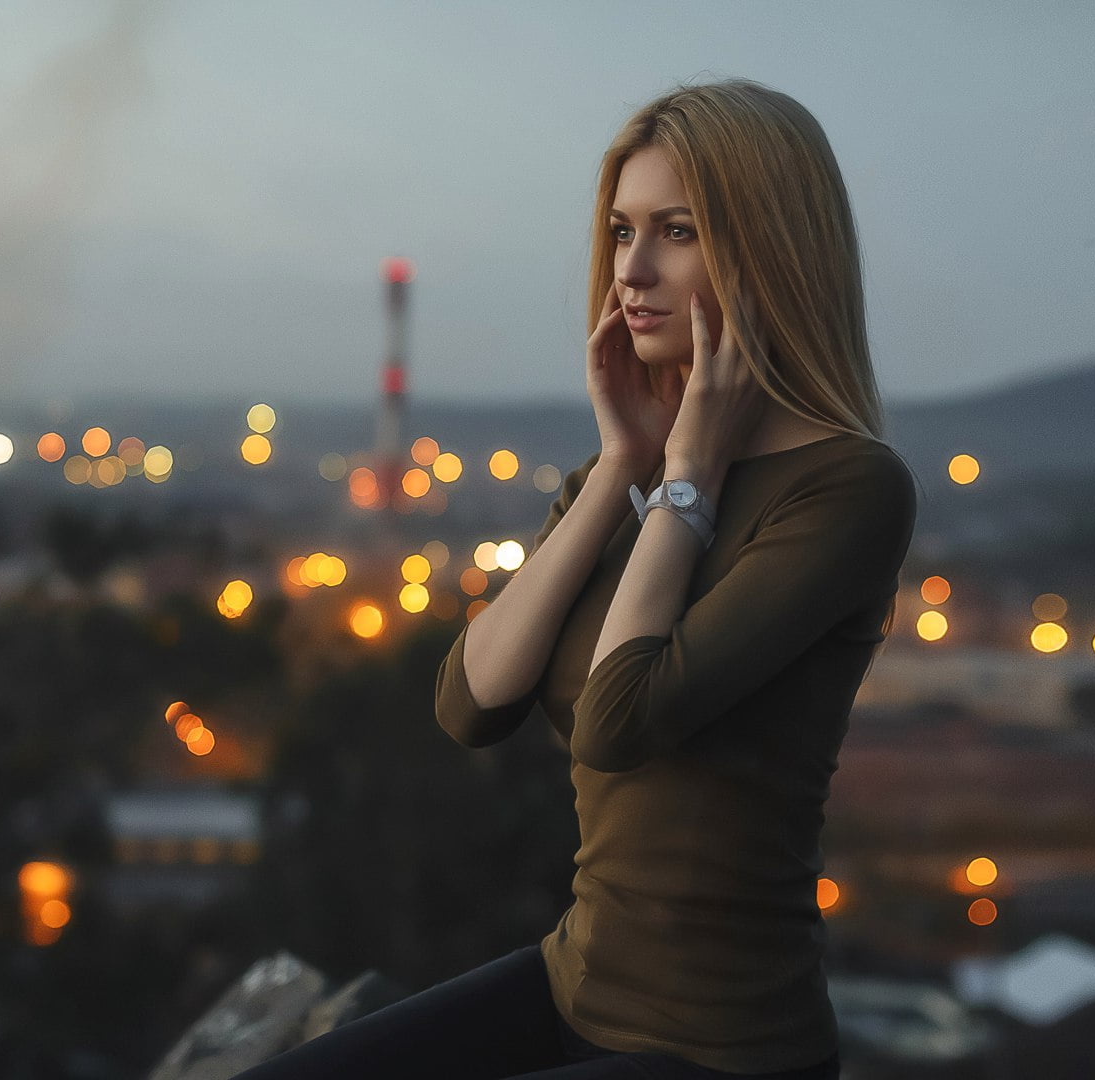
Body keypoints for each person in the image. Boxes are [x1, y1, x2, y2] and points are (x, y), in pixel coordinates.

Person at [234, 77, 919, 1080]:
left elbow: (618, 720)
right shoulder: (621, 472)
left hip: (720, 1048)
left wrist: (689, 479)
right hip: (570, 984)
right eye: (621, 231)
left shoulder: (848, 488)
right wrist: (621, 466)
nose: (631, 272)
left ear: (768, 248)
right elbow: (468, 702)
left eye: (676, 232)